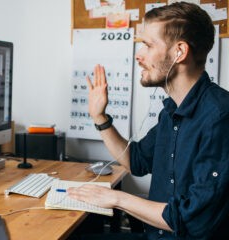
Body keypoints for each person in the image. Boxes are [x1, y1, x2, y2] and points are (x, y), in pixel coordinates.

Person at [67, 2, 229, 239]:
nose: (138, 55)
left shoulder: (220, 116)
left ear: (179, 52)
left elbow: (193, 221)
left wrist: (116, 198)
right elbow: (136, 161)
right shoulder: (172, 111)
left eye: (147, 45)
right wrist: (99, 117)